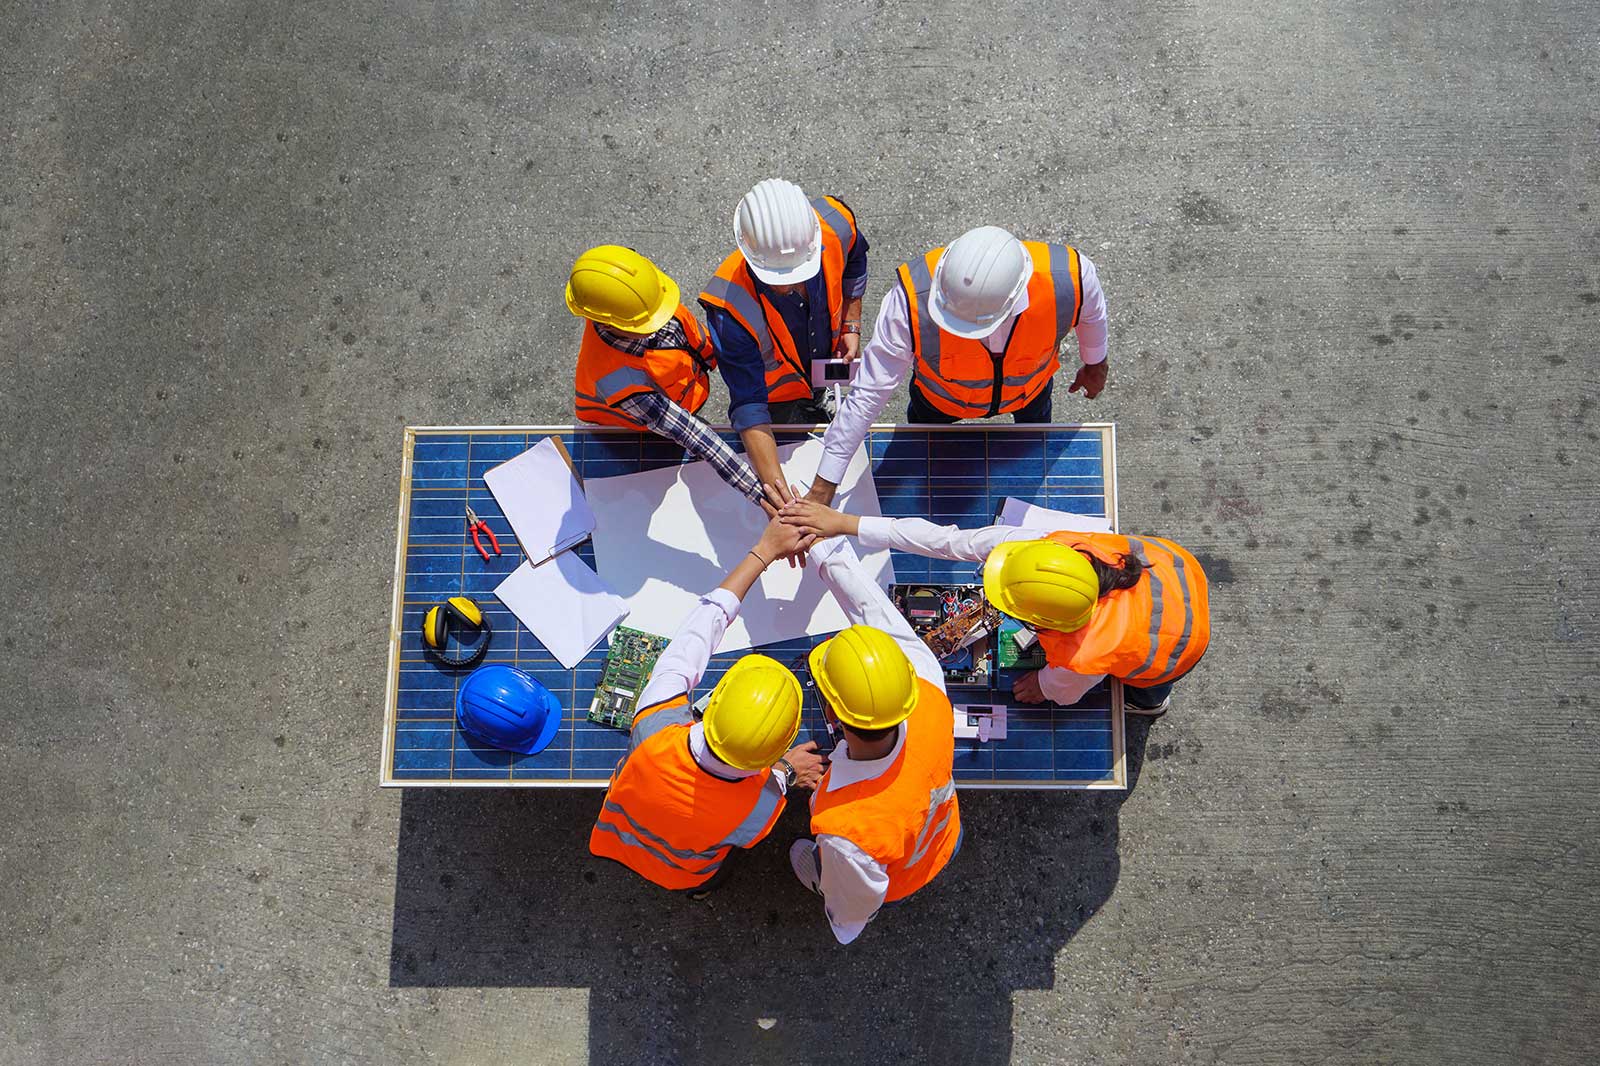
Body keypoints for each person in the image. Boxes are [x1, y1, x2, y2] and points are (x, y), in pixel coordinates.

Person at [781, 501, 1208, 717]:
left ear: (1048, 623)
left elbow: (1062, 692)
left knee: (1147, 684)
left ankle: (1150, 703)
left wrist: (1041, 686)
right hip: (1178, 576)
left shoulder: (1085, 657)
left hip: (1175, 651)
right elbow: (947, 540)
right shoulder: (1040, 547)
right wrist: (846, 523)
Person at [588, 517, 827, 896]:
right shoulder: (761, 808)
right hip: (683, 873)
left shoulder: (653, 725)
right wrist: (787, 772)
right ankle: (701, 892)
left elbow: (698, 632)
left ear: (714, 702)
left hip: (616, 838)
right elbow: (773, 788)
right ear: (774, 752)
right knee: (713, 874)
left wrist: (763, 551)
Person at [804, 225, 1109, 505]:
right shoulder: (910, 300)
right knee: (923, 476)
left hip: (1030, 395)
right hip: (938, 405)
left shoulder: (1072, 277)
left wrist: (1095, 362)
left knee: (1031, 460)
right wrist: (825, 482)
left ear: (1013, 300)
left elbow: (1092, 314)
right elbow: (869, 392)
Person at [789, 535, 962, 944]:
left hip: (898, 875)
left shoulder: (847, 833)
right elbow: (874, 612)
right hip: (943, 838)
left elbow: (849, 917)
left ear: (831, 713)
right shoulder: (928, 689)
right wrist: (819, 539)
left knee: (806, 858)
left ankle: (818, 878)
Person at [699, 178, 869, 499]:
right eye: (776, 279)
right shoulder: (728, 308)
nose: (789, 286)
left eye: (798, 274)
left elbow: (856, 262)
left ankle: (819, 396)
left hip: (823, 358)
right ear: (747, 252)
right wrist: (781, 497)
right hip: (780, 401)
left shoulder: (836, 225)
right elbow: (749, 404)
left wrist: (851, 324)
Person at [568, 244, 769, 512]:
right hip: (639, 429)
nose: (659, 323)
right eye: (644, 325)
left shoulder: (643, 300)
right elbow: (693, 434)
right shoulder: (617, 379)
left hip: (686, 390)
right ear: (606, 323)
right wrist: (761, 495)